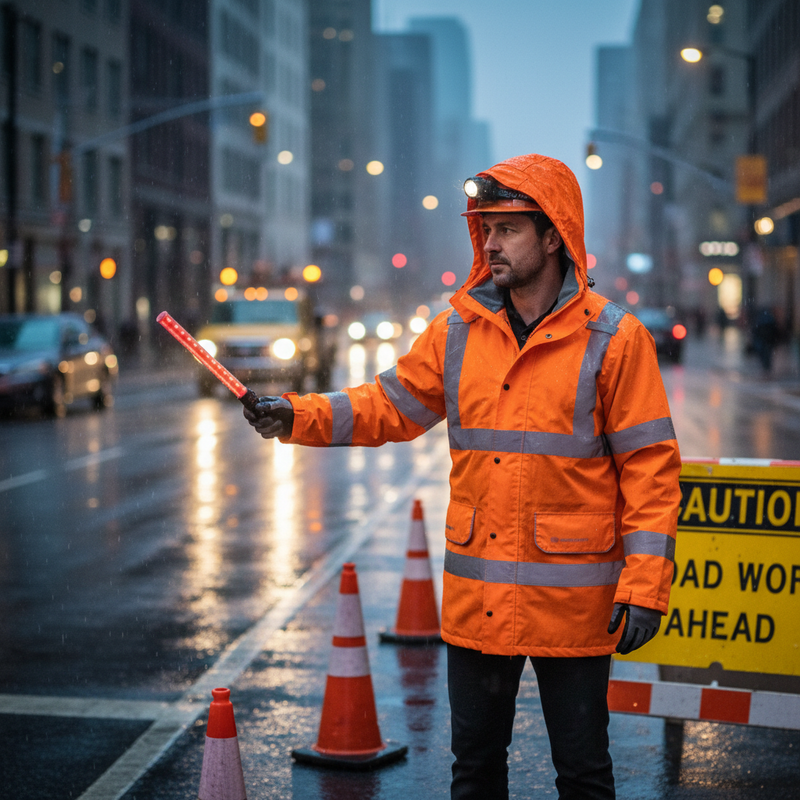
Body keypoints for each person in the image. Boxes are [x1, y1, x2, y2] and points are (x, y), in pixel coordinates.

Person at [244, 153, 682, 799]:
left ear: (554, 234)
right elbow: (388, 405)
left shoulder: (614, 339)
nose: (489, 241)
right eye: (485, 227)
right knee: (474, 771)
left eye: (507, 227)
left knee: (584, 774)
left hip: (575, 603)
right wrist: (296, 416)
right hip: (480, 600)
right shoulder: (457, 331)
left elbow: (650, 470)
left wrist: (644, 586)